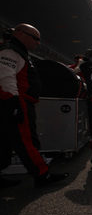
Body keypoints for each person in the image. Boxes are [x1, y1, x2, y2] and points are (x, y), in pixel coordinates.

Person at [0, 23, 68, 188]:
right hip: (16, 101)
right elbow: (5, 77)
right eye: (35, 38)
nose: (38, 43)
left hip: (17, 100)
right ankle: (41, 174)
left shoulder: (20, 53)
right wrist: (13, 102)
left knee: (6, 141)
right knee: (26, 140)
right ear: (20, 34)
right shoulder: (10, 52)